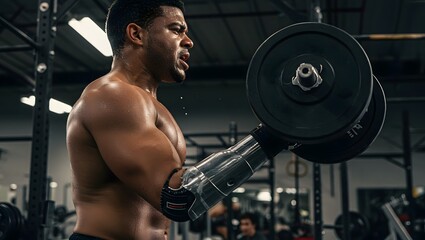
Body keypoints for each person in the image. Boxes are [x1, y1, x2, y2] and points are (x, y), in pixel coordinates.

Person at [66, 0, 287, 239]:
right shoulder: (113, 96)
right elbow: (180, 198)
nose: (189, 41)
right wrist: (271, 137)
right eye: (176, 29)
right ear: (136, 34)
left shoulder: (150, 106)